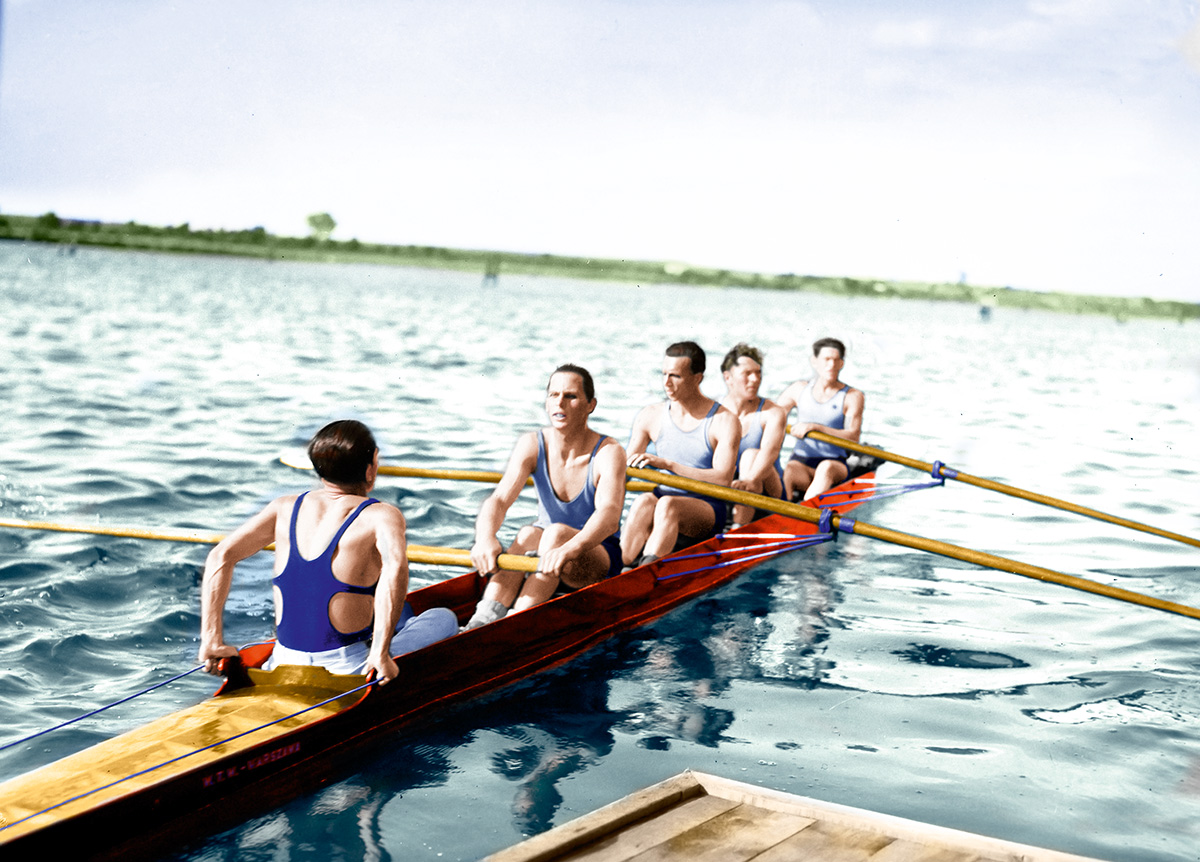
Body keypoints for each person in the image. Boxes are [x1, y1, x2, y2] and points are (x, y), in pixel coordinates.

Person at [199, 420, 457, 683]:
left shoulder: (284, 507)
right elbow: (395, 570)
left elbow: (221, 556)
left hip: (282, 661)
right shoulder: (381, 515)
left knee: (398, 608)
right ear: (372, 466)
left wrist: (211, 638)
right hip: (349, 668)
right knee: (444, 617)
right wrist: (380, 655)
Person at [465, 364, 626, 629]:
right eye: (553, 395)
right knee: (528, 534)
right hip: (549, 551)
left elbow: (609, 517)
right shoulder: (532, 443)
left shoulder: (609, 452)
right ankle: (482, 619)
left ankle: (515, 625)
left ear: (590, 405)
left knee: (554, 534)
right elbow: (499, 500)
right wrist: (484, 538)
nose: (559, 403)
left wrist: (568, 548)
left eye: (570, 396)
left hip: (596, 555)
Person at [621, 341, 740, 567]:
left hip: (706, 509)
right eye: (664, 374)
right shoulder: (650, 415)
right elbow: (623, 471)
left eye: (675, 376)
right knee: (644, 501)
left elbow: (723, 479)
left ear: (698, 378)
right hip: (662, 496)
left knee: (667, 505)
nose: (666, 383)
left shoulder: (724, 421)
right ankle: (620, 565)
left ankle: (646, 572)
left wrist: (669, 466)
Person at [776, 337, 865, 501]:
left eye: (836, 360)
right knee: (788, 470)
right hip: (801, 463)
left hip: (835, 465)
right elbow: (773, 416)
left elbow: (854, 437)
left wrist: (817, 428)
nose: (831, 365)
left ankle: (806, 513)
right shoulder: (798, 389)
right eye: (826, 359)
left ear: (842, 364)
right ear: (814, 361)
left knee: (825, 468)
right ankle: (784, 514)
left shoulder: (852, 396)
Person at [718, 343, 786, 525]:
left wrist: (750, 480)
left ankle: (738, 528)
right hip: (729, 488)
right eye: (747, 374)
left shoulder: (773, 413)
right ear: (728, 377)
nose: (755, 379)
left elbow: (769, 452)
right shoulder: (715, 413)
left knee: (750, 456)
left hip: (769, 490)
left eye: (758, 373)